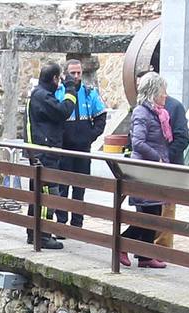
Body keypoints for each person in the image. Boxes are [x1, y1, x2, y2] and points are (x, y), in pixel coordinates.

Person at [119, 71, 171, 268]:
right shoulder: (142, 112)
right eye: (162, 91)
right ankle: (121, 244)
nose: (165, 95)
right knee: (146, 216)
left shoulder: (158, 113)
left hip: (155, 171)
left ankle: (145, 255)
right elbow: (138, 142)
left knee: (155, 213)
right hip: (144, 171)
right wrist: (156, 157)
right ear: (153, 92)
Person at [25, 61, 79, 249]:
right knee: (48, 194)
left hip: (41, 152)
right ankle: (43, 235)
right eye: (60, 79)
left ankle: (34, 233)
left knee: (38, 195)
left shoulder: (38, 94)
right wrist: (71, 89)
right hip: (45, 154)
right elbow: (63, 111)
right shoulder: (42, 96)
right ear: (55, 78)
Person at [52, 58, 107, 229]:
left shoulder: (89, 92)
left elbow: (101, 117)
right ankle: (61, 224)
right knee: (62, 188)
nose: (76, 76)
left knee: (80, 188)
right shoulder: (58, 92)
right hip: (64, 150)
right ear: (65, 74)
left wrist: (89, 136)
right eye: (72, 73)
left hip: (83, 150)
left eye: (79, 73)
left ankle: (77, 225)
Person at [152, 88, 189, 249]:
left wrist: (165, 156)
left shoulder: (175, 107)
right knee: (149, 206)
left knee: (167, 207)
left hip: (170, 166)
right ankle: (146, 246)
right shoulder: (144, 108)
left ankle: (163, 247)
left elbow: (183, 138)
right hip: (150, 166)